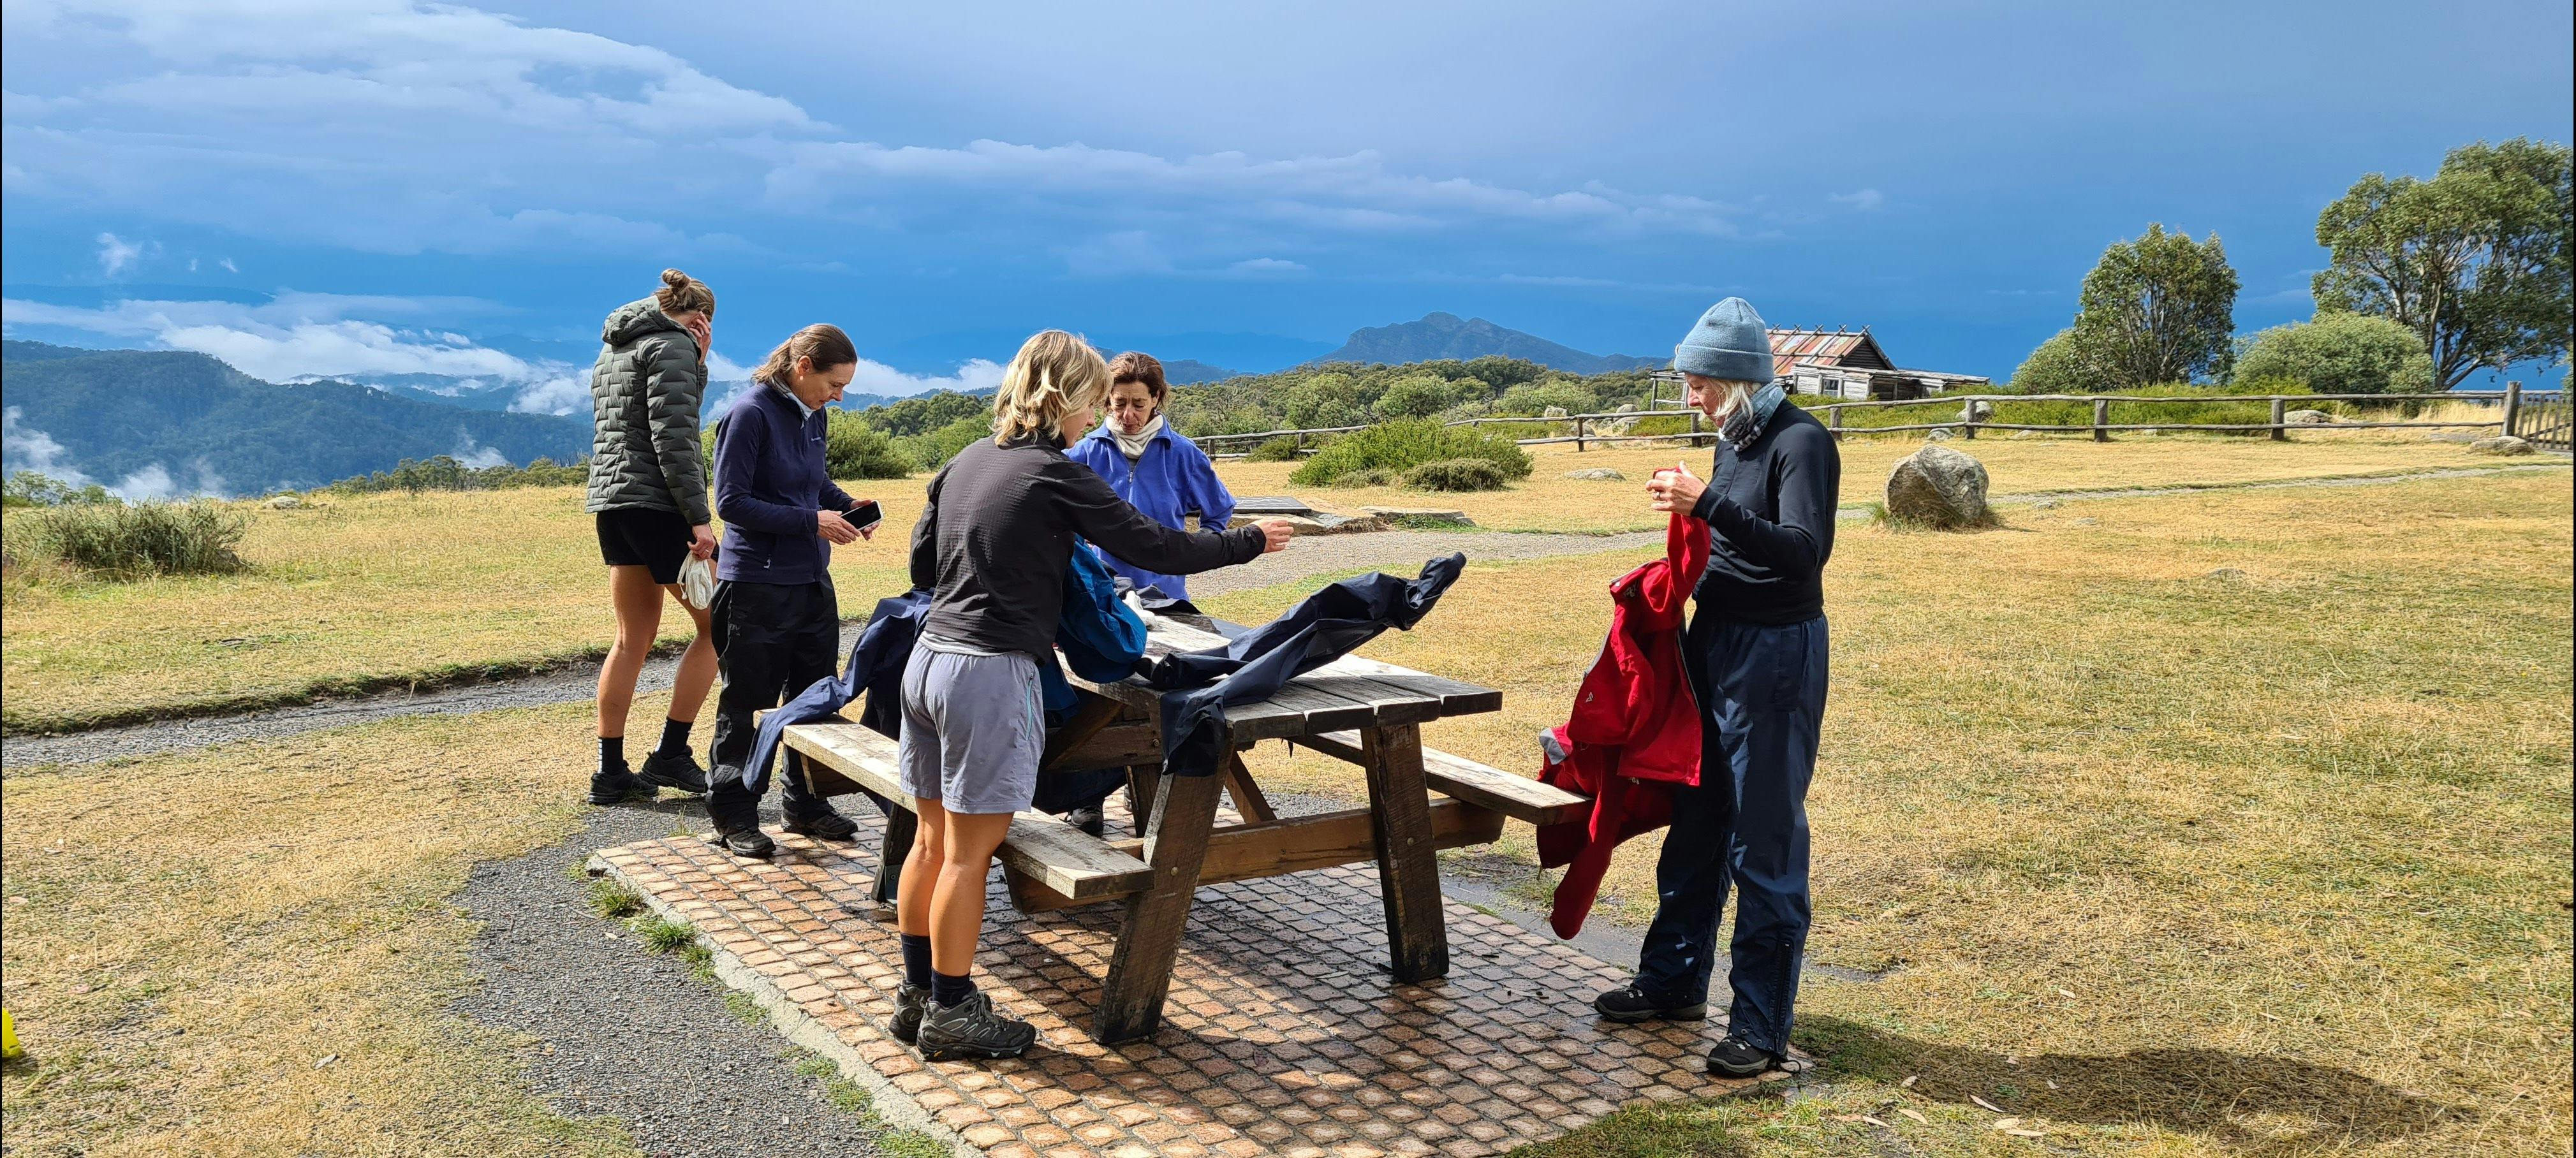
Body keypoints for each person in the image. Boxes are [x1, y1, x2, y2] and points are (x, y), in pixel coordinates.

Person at [892, 331, 1295, 1060]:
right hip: (986, 673)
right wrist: (1249, 540)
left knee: (930, 840)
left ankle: (918, 993)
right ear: (1065, 396)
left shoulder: (968, 461)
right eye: (1089, 401)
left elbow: (923, 560)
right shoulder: (1054, 472)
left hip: (927, 663)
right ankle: (952, 1010)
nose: (1094, 416)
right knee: (967, 855)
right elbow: (1155, 548)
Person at [1595, 297, 1841, 1080]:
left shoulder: (1801, 442)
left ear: (1734, 380)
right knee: (1697, 821)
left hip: (1776, 655)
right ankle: (1672, 983)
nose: (1690, 397)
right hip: (1717, 645)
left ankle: (1761, 1026)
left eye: (1699, 384)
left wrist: (1709, 504)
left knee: (1763, 839)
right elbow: (1727, 541)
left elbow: (1802, 552)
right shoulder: (1734, 441)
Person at [702, 324, 878, 859]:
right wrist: (812, 521)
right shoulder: (749, 414)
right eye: (833, 384)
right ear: (802, 368)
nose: (839, 396)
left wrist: (846, 506)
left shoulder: (812, 412)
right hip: (756, 583)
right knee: (746, 702)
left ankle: (804, 804)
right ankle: (732, 814)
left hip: (810, 579)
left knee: (813, 697)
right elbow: (730, 503)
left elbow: (812, 482)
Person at [1057, 350, 1237, 834]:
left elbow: (1219, 513)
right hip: (1099, 597)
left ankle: (1166, 804)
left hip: (1164, 598)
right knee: (1096, 700)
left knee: (1160, 697)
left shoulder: (1180, 452)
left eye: (1137, 403)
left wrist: (1194, 548)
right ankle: (1088, 798)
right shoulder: (1085, 451)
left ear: (1157, 399)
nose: (1126, 414)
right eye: (1116, 404)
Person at [584, 268, 720, 806]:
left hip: (612, 505)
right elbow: (675, 436)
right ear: (700, 319)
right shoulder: (672, 346)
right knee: (720, 626)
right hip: (659, 504)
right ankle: (671, 751)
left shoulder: (614, 350)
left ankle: (611, 771)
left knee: (630, 639)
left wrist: (699, 367)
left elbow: (639, 422)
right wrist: (700, 520)